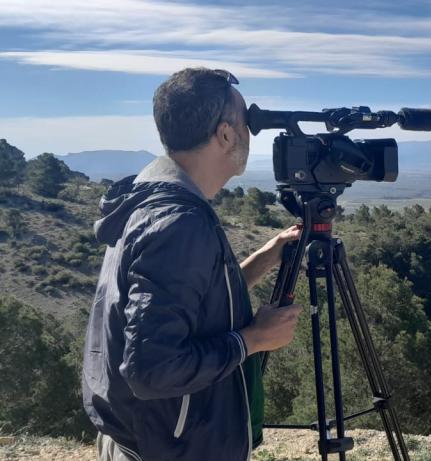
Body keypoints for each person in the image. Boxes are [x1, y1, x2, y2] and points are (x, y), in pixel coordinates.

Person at [82, 68, 301, 461]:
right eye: (246, 122)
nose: (250, 134)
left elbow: (195, 299)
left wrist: (267, 257)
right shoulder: (178, 223)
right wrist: (253, 341)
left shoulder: (151, 198)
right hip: (170, 447)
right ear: (225, 134)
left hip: (150, 436)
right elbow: (154, 369)